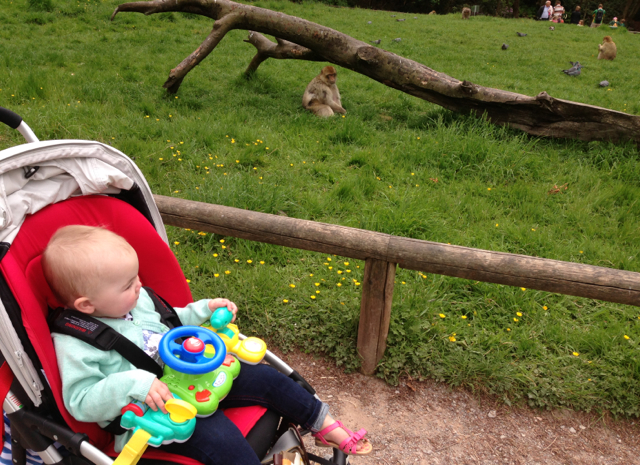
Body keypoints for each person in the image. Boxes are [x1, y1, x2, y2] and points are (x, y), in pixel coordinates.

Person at [43, 225, 372, 465]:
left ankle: (323, 424)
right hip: (161, 412)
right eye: (128, 284)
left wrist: (204, 310)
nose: (140, 286)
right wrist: (135, 384)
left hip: (194, 375)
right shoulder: (78, 342)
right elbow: (80, 401)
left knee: (267, 378)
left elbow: (172, 322)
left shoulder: (135, 301)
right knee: (221, 439)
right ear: (86, 305)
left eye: (137, 277)